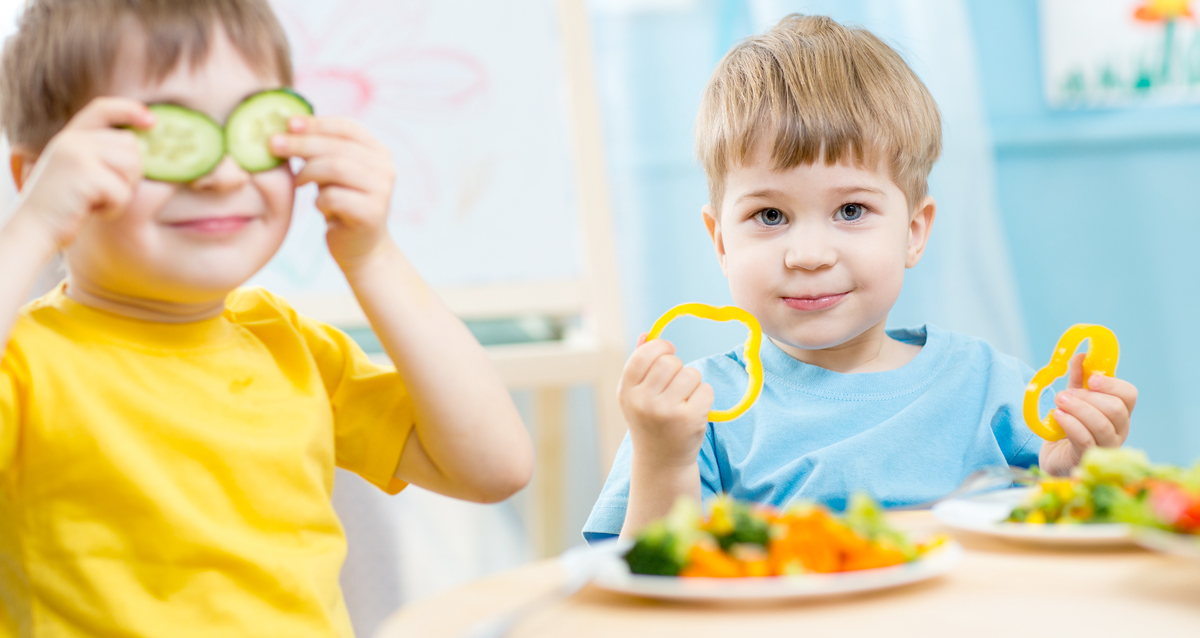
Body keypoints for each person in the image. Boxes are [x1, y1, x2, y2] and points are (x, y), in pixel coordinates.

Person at [0, 1, 533, 634]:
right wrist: (30, 224)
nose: (223, 175)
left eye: (250, 130)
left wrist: (374, 257)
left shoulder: (285, 343)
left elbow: (494, 467)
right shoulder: (26, 363)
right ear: (41, 176)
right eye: (163, 137)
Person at [583, 14, 1138, 543]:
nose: (808, 254)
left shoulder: (994, 390)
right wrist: (662, 459)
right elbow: (642, 594)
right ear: (721, 242)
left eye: (850, 210)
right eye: (769, 216)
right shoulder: (691, 417)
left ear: (914, 232)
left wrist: (1075, 474)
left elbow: (1070, 562)